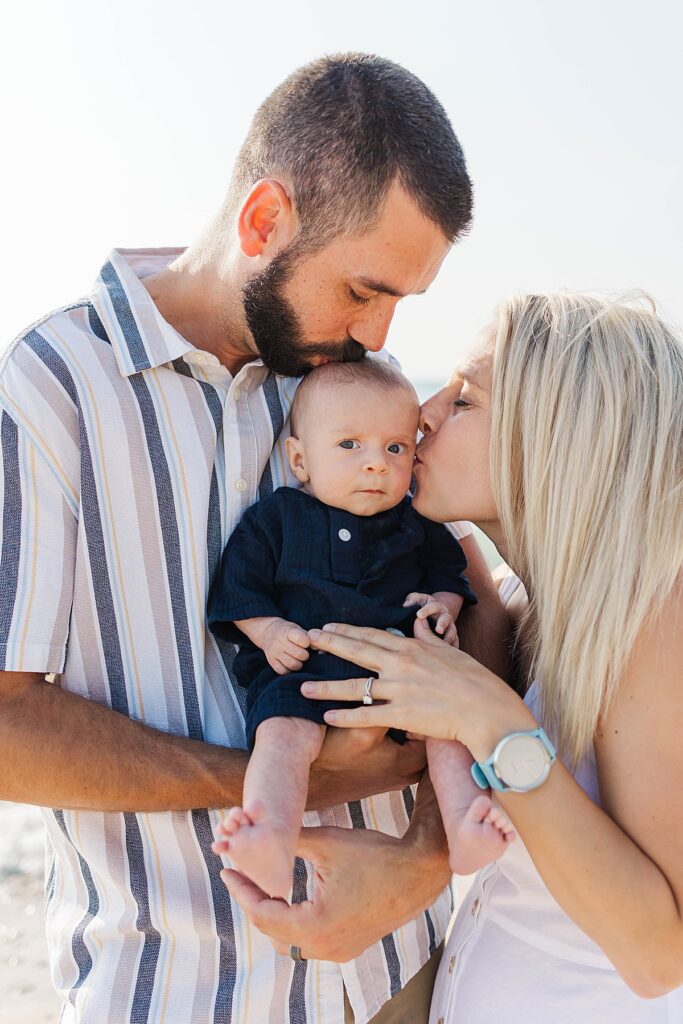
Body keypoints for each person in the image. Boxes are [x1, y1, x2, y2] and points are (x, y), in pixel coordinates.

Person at [0, 54, 510, 1023]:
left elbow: (483, 612)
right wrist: (271, 780)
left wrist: (418, 859)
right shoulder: (48, 390)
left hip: (396, 980)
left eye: (401, 300)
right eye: (363, 290)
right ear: (263, 221)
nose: (379, 332)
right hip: (169, 992)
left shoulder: (364, 389)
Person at [232, 293, 683, 1021]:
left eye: (464, 399)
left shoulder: (655, 615)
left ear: (561, 434)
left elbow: (658, 953)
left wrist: (484, 713)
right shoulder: (519, 608)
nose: (422, 419)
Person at [207, 360, 515, 899]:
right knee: (281, 738)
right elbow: (238, 592)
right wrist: (269, 631)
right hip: (306, 671)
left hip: (405, 668)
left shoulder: (417, 522)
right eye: (350, 445)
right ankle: (270, 834)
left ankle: (466, 822)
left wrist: (442, 606)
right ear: (300, 459)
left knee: (446, 732)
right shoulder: (276, 519)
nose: (376, 465)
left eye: (394, 448)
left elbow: (452, 580)